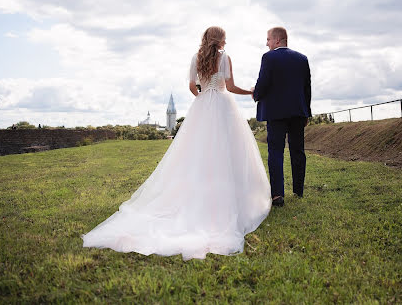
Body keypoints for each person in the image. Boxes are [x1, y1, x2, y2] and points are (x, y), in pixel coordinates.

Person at [83, 26, 271, 260]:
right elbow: (230, 87)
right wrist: (251, 92)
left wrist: (204, 98)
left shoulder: (196, 57)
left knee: (197, 153)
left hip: (202, 107)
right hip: (223, 106)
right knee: (227, 152)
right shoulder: (225, 58)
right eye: (224, 37)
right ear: (220, 39)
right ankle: (227, 196)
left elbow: (193, 87)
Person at [252, 27, 311, 207]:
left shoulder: (268, 57)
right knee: (298, 150)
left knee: (276, 151)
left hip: (276, 113)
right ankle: (298, 190)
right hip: (298, 112)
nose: (266, 43)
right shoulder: (302, 58)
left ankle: (278, 195)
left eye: (268, 39)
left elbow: (263, 82)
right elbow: (307, 88)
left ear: (277, 40)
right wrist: (307, 111)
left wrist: (256, 94)